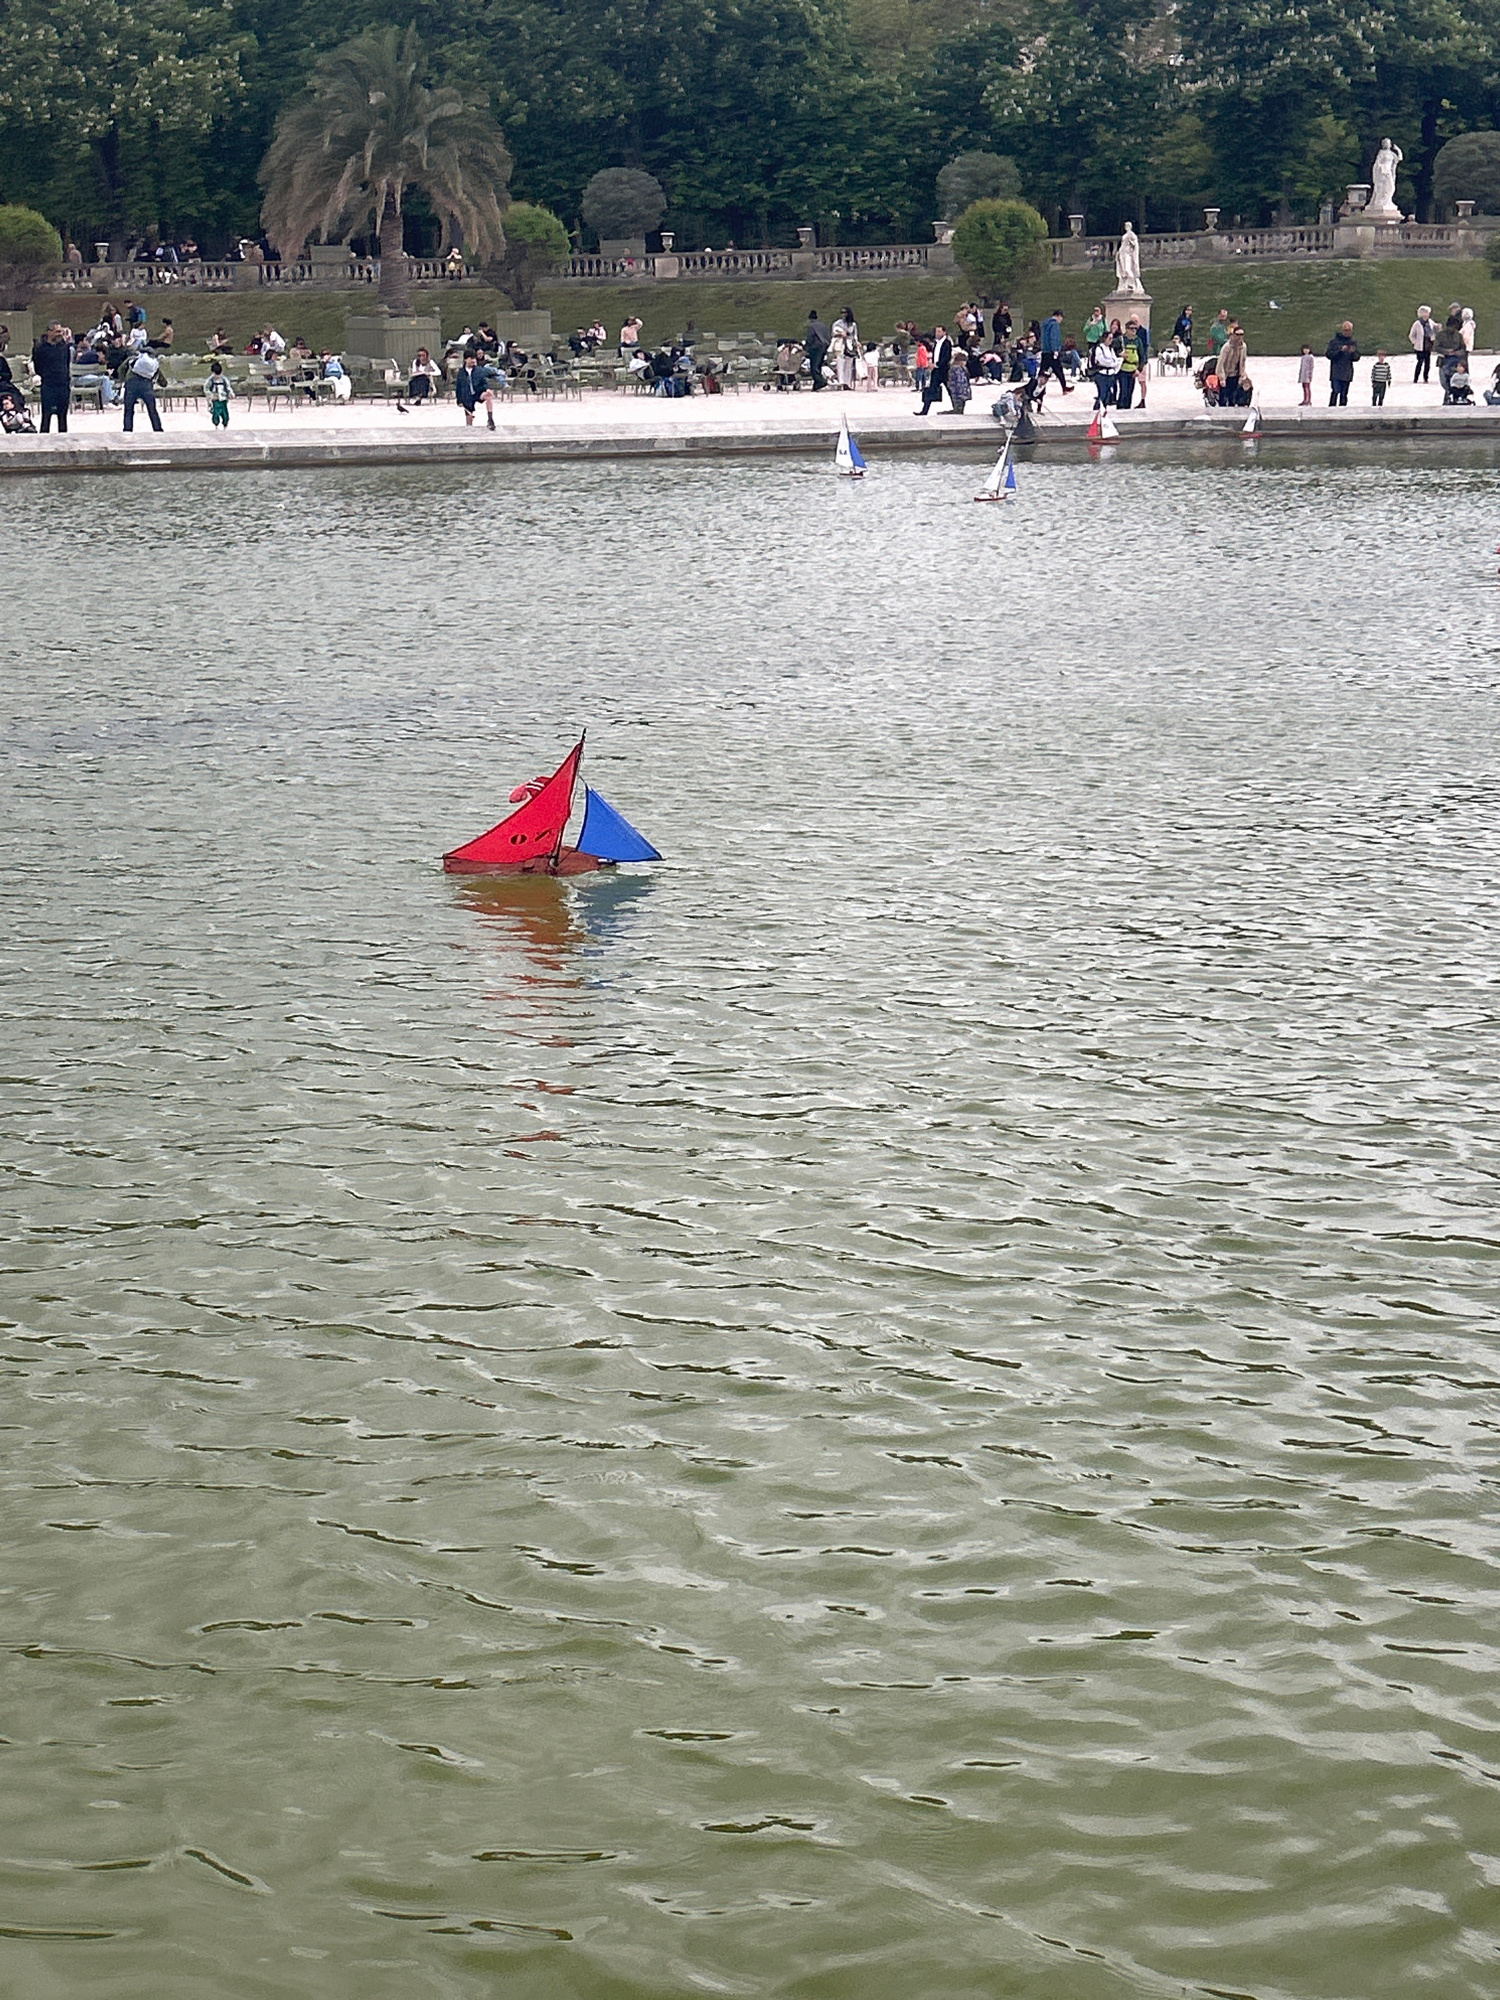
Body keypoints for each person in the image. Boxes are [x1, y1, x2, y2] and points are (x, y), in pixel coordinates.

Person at [32, 323, 73, 433]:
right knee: (46, 415)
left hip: (63, 384)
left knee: (62, 416)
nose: (60, 334)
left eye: (61, 331)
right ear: (49, 332)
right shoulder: (40, 349)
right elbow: (38, 367)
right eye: (57, 331)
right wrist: (46, 375)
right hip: (48, 385)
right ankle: (43, 438)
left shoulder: (64, 347)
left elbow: (66, 363)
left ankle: (63, 438)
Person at [123, 345, 164, 431]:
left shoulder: (133, 359)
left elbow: (121, 369)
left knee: (128, 410)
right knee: (152, 410)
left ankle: (127, 430)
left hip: (131, 384)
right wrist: (164, 384)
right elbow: (162, 380)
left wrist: (123, 379)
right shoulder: (153, 364)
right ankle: (158, 429)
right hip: (146, 386)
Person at [918, 325, 951, 414]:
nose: (937, 333)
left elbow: (946, 357)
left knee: (950, 389)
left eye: (939, 331)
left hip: (943, 370)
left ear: (944, 332)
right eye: (936, 331)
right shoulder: (936, 343)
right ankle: (924, 410)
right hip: (935, 370)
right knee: (931, 389)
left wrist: (937, 364)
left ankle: (957, 406)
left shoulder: (947, 343)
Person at [1038, 308, 1071, 394]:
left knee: (1042, 371)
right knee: (1058, 370)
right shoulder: (1054, 324)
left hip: (1045, 350)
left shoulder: (1045, 324)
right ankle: (1064, 387)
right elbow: (1054, 337)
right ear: (1059, 316)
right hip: (1052, 351)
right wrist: (1055, 350)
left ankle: (1038, 387)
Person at [1326, 321, 1359, 406]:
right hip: (1336, 372)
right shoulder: (1334, 342)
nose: (1347, 332)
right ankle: (1331, 408)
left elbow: (1356, 358)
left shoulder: (1352, 342)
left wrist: (1352, 352)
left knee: (1344, 394)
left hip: (1347, 373)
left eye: (1349, 330)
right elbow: (1329, 355)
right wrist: (1340, 350)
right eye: (1345, 330)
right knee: (1335, 391)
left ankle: (1343, 409)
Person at [1216, 323, 1247, 407]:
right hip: (1226, 375)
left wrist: (1242, 375)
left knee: (1233, 399)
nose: (1239, 337)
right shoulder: (1227, 347)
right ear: (1233, 335)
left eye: (1241, 334)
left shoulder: (1243, 347)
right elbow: (1221, 363)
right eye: (1237, 334)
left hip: (1235, 374)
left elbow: (1243, 361)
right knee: (1223, 399)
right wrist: (1222, 378)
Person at [830, 305, 860, 389]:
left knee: (849, 365)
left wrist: (856, 342)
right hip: (840, 344)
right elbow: (833, 333)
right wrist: (840, 334)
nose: (843, 314)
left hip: (849, 344)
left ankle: (847, 382)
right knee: (840, 363)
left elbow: (855, 335)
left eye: (845, 313)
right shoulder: (837, 323)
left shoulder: (853, 324)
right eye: (842, 313)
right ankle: (841, 382)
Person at [1409, 305, 1436, 383]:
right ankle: (1416, 378)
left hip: (1428, 344)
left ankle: (1426, 378)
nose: (1427, 314)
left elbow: (1434, 329)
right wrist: (1415, 342)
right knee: (1420, 362)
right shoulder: (1417, 323)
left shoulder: (1430, 322)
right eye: (1426, 313)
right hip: (1420, 346)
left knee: (1427, 363)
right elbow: (1411, 335)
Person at [805, 308, 829, 390]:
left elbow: (810, 338)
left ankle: (821, 381)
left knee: (814, 367)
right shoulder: (823, 325)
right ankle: (816, 385)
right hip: (824, 346)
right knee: (819, 366)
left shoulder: (811, 326)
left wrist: (806, 347)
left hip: (815, 347)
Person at [206, 359, 233, 427]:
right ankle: (216, 424)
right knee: (216, 413)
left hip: (223, 399)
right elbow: (206, 389)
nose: (217, 376)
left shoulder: (224, 379)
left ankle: (225, 423)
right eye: (216, 374)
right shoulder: (210, 380)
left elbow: (228, 387)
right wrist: (211, 396)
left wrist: (230, 394)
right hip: (215, 399)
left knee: (225, 414)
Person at [946, 345, 971, 414]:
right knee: (959, 407)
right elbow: (959, 380)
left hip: (959, 391)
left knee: (959, 406)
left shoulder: (958, 368)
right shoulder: (957, 369)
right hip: (959, 391)